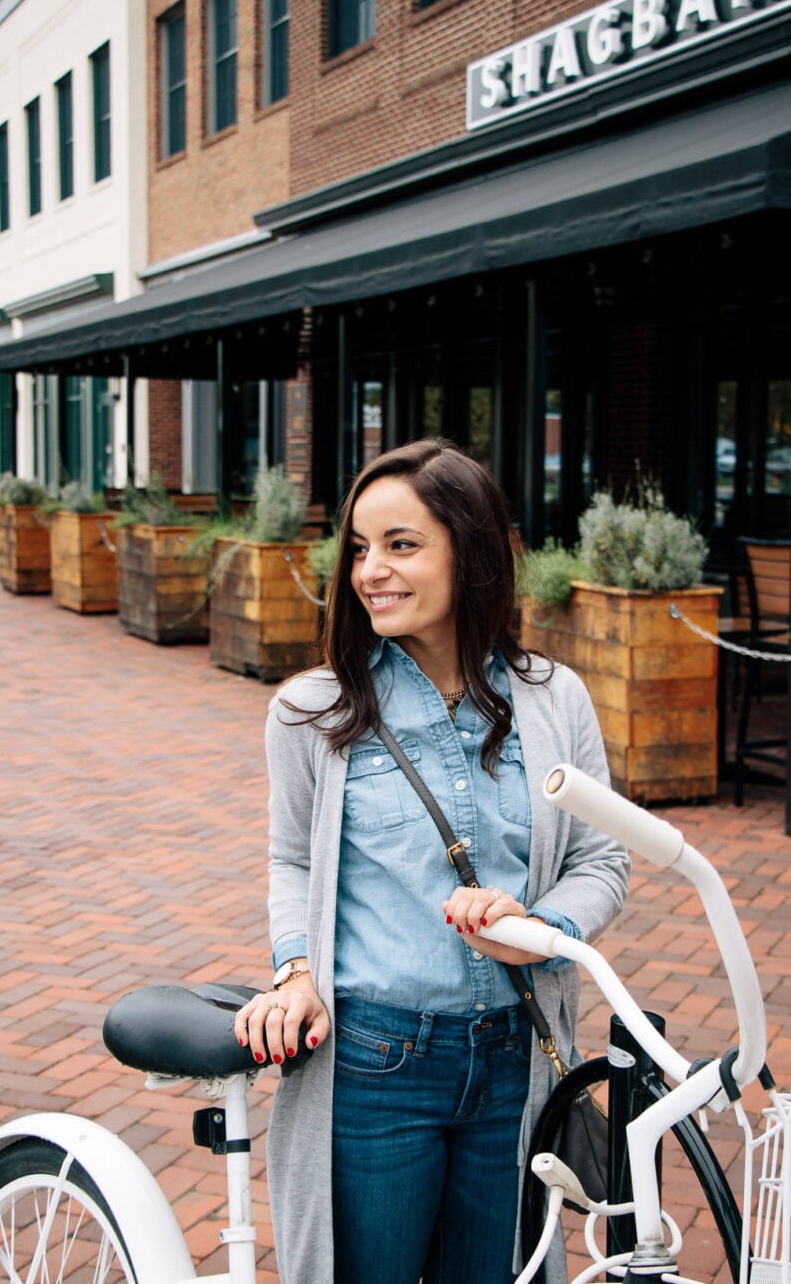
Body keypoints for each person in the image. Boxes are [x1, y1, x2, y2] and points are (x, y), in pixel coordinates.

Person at [234, 438, 629, 1284]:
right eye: (360, 548)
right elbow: (292, 861)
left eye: (401, 545)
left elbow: (602, 860)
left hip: (518, 1064)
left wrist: (544, 931)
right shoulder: (314, 711)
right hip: (376, 1067)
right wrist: (295, 969)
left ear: (472, 551)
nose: (371, 569)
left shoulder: (555, 699)